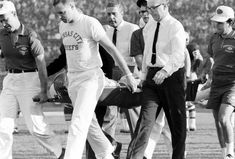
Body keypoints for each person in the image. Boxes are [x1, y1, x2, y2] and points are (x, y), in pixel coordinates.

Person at [52, 0, 137, 159]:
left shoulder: (89, 23)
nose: (60, 16)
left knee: (78, 124)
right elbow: (67, 57)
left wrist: (129, 75)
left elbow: (111, 49)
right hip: (73, 79)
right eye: (58, 13)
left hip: (90, 78)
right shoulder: (62, 26)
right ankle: (107, 151)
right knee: (90, 125)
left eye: (62, 12)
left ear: (72, 6)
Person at [0, 1, 65, 159]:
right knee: (3, 127)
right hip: (10, 81)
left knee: (36, 128)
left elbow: (41, 67)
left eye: (4, 19)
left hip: (30, 80)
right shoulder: (1, 35)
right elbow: (4, 53)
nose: (2, 23)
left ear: (14, 14)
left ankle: (61, 153)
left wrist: (43, 91)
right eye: (0, 20)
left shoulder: (31, 35)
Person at [126, 0, 187, 158]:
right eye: (149, 8)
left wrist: (165, 71)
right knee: (145, 121)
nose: (151, 12)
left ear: (165, 6)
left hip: (172, 77)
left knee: (176, 124)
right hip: (152, 78)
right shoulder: (149, 26)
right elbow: (147, 52)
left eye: (155, 8)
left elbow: (179, 53)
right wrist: (144, 76)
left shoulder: (175, 26)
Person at [102, 0, 139, 139]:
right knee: (109, 112)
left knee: (133, 111)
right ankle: (108, 149)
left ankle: (138, 149)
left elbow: (138, 54)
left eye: (114, 14)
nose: (111, 17)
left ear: (122, 13)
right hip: (110, 72)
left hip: (129, 70)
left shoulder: (133, 29)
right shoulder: (105, 31)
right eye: (108, 14)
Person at [207, 5, 235, 159]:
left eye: (220, 23)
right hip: (216, 83)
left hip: (232, 84)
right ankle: (224, 152)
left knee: (224, 118)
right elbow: (211, 57)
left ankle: (231, 152)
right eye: (216, 22)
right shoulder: (213, 38)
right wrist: (208, 77)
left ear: (230, 22)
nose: (216, 25)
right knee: (217, 121)